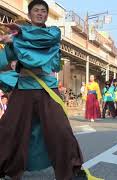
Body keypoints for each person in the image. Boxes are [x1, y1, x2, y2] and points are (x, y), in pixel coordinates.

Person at [0, 0, 90, 179]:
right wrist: (10, 44)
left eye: (43, 11)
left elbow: (45, 48)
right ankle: (3, 168)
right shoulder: (19, 36)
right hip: (24, 87)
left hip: (47, 88)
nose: (40, 13)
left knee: (60, 129)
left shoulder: (53, 32)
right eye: (36, 10)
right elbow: (9, 61)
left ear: (47, 15)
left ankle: (72, 170)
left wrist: (18, 36)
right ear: (29, 14)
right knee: (8, 128)